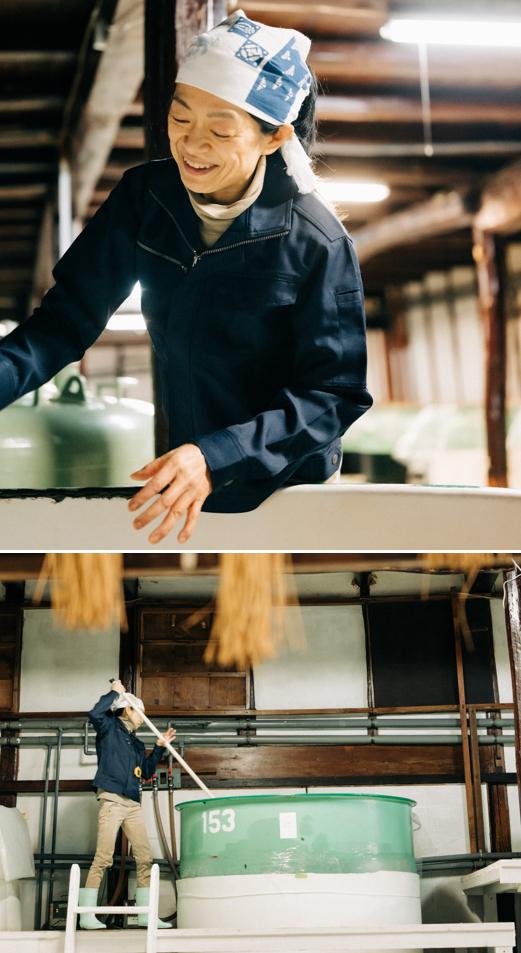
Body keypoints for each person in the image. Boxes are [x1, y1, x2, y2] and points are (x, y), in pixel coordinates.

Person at [0, 9, 373, 544]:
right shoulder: (144, 199)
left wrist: (218, 455)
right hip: (186, 480)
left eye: (220, 131)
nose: (192, 146)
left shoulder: (315, 239)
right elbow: (61, 326)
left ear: (274, 137)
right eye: (180, 120)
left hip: (289, 489)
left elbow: (333, 394)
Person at [79, 680, 176, 930]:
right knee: (103, 857)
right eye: (138, 711)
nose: (142, 717)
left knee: (144, 857)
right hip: (112, 799)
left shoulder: (136, 744)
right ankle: (87, 915)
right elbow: (95, 713)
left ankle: (144, 915)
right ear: (126, 710)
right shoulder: (109, 728)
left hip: (132, 803)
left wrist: (158, 749)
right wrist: (115, 692)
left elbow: (144, 773)